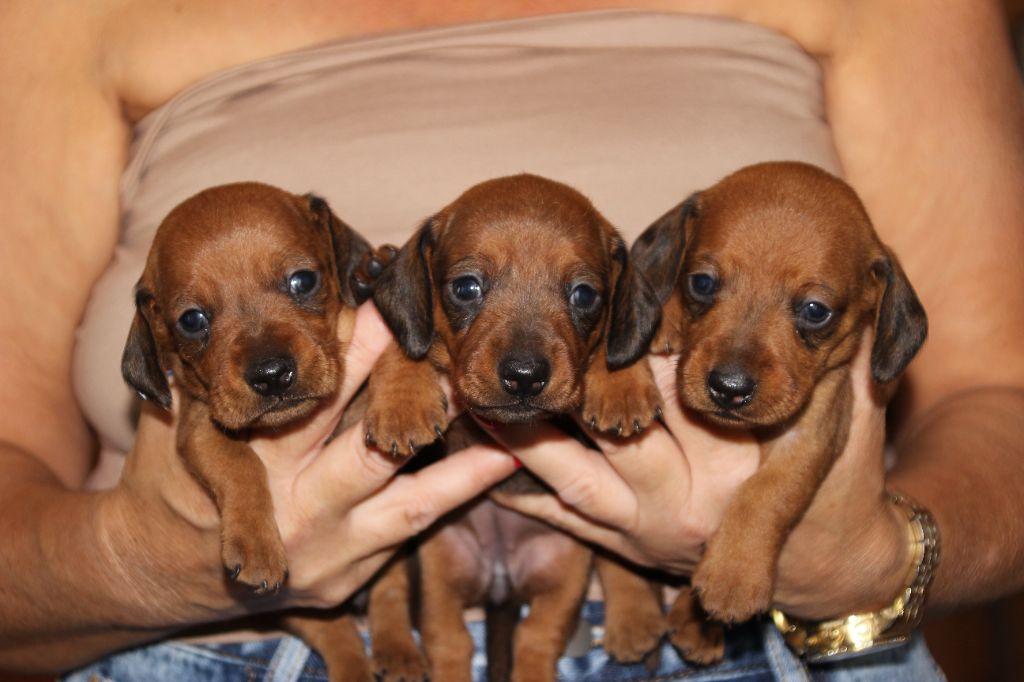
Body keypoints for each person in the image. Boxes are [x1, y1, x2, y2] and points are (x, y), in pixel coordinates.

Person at [1, 0, 1021, 679]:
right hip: (220, 643)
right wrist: (142, 562)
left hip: (773, 636)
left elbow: (999, 396)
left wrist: (871, 559)